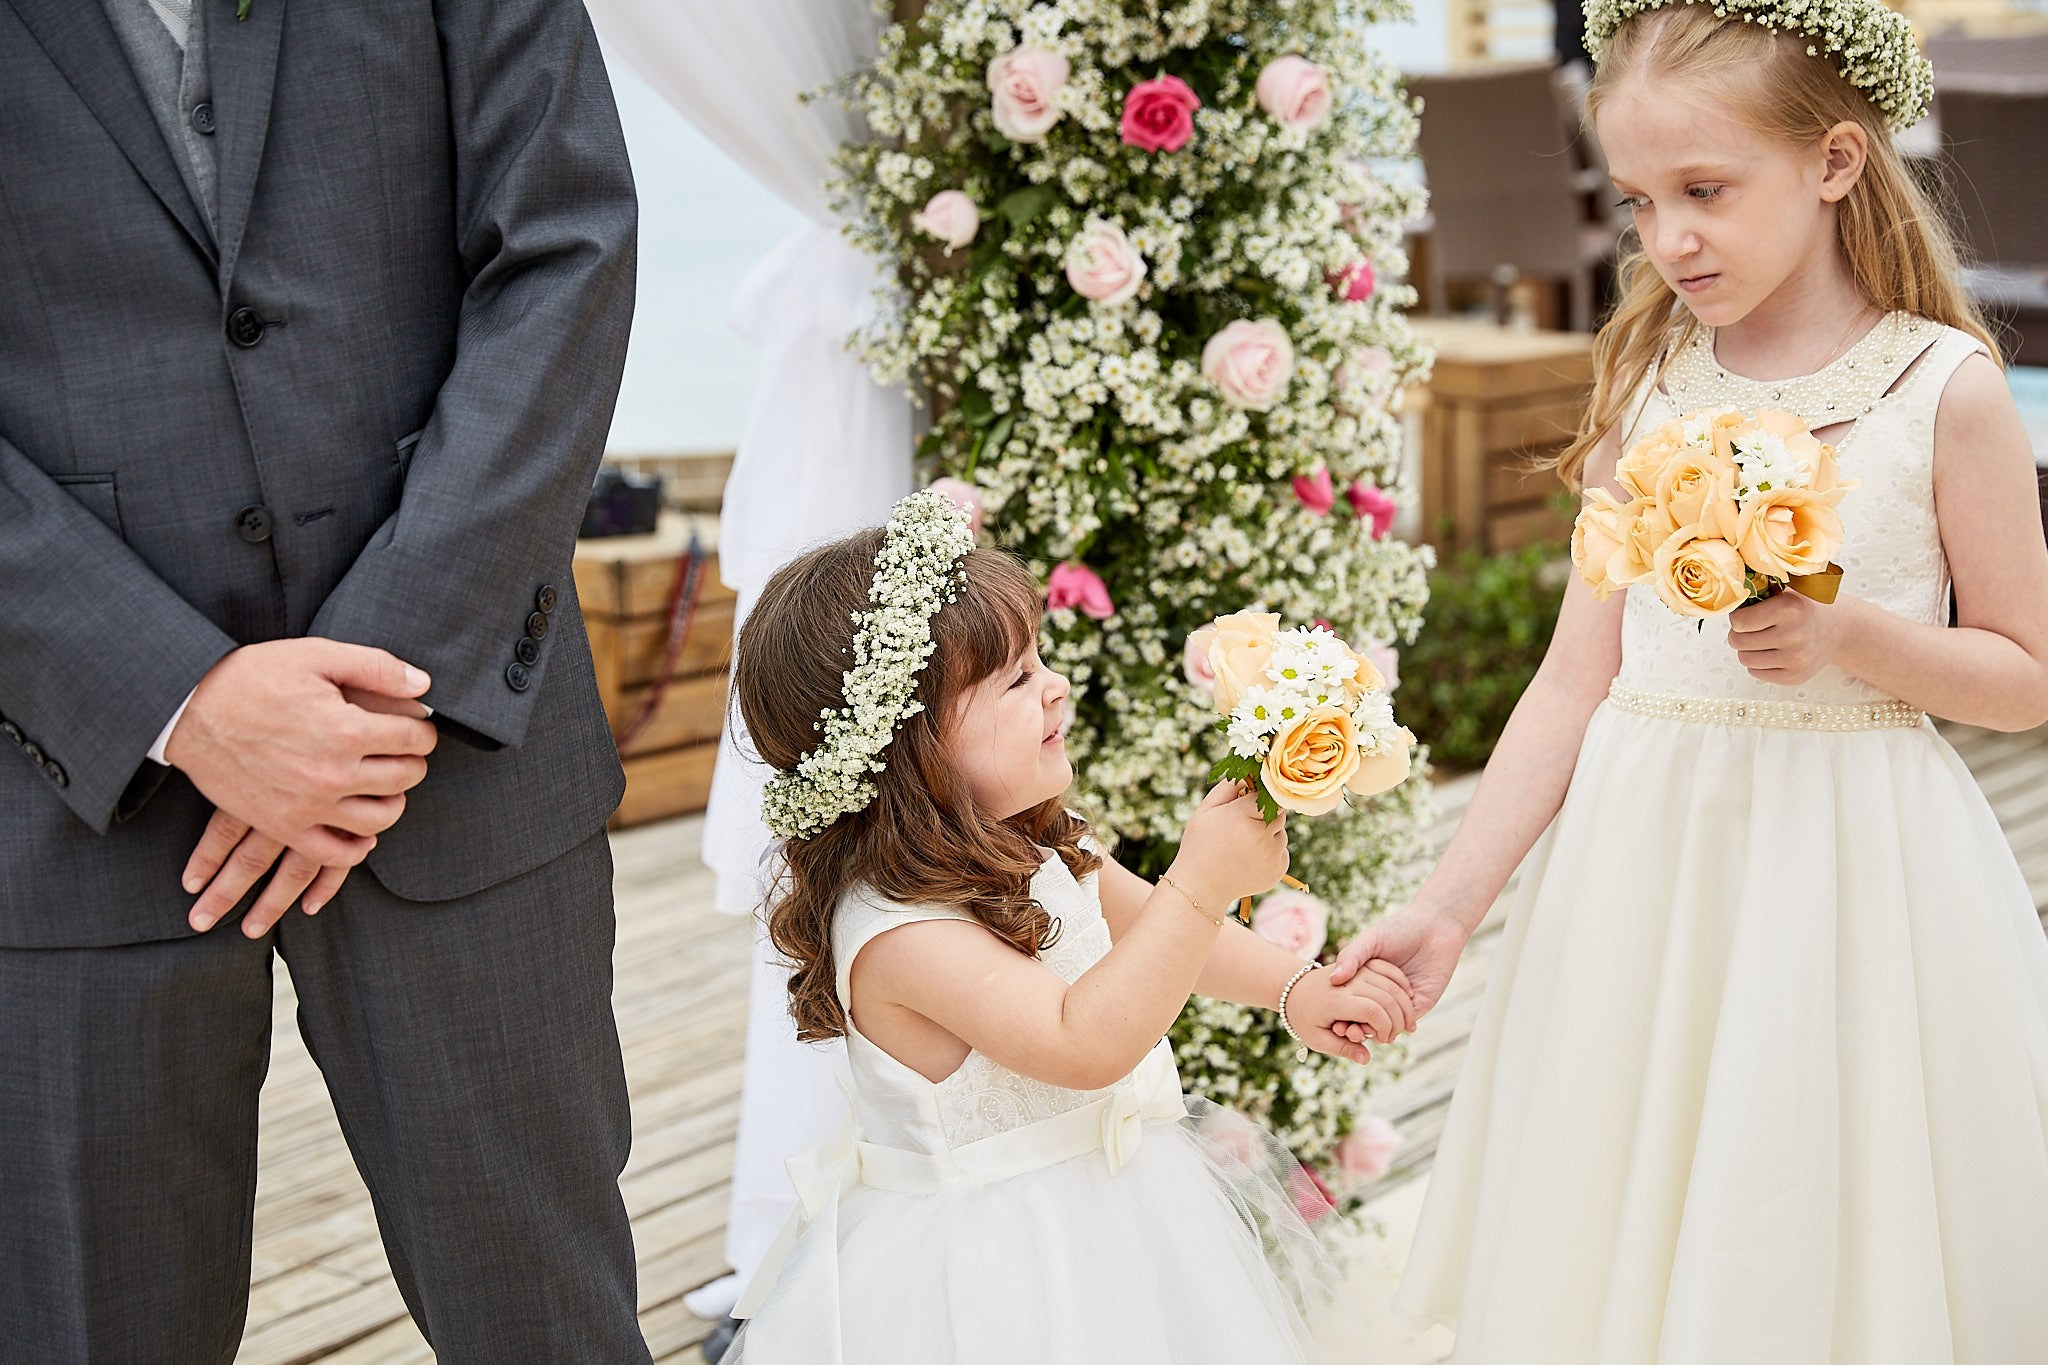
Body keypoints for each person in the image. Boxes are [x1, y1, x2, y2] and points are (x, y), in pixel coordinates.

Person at [1327, 1, 2048, 1359]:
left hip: (1855, 875)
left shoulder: (1942, 391)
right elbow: (1570, 683)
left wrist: (1858, 639)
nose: (1667, 241)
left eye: (1705, 193)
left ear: (1836, 162)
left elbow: (2025, 677)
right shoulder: (1651, 377)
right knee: (1637, 1182)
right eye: (1639, 199)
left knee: (1823, 1179)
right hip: (1644, 860)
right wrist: (1443, 908)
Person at [0, 1, 649, 1359]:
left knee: (552, 1328)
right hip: (65, 788)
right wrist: (176, 697)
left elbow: (565, 246)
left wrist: (386, 672)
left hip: (453, 761)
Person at [719, 491, 1415, 1364]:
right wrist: (1203, 881)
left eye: (1039, 658)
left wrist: (1294, 986)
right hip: (1000, 1274)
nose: (1055, 685)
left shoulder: (1035, 837)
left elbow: (1151, 924)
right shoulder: (899, 932)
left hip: (1130, 1213)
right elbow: (1082, 1040)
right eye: (1015, 679)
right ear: (912, 748)